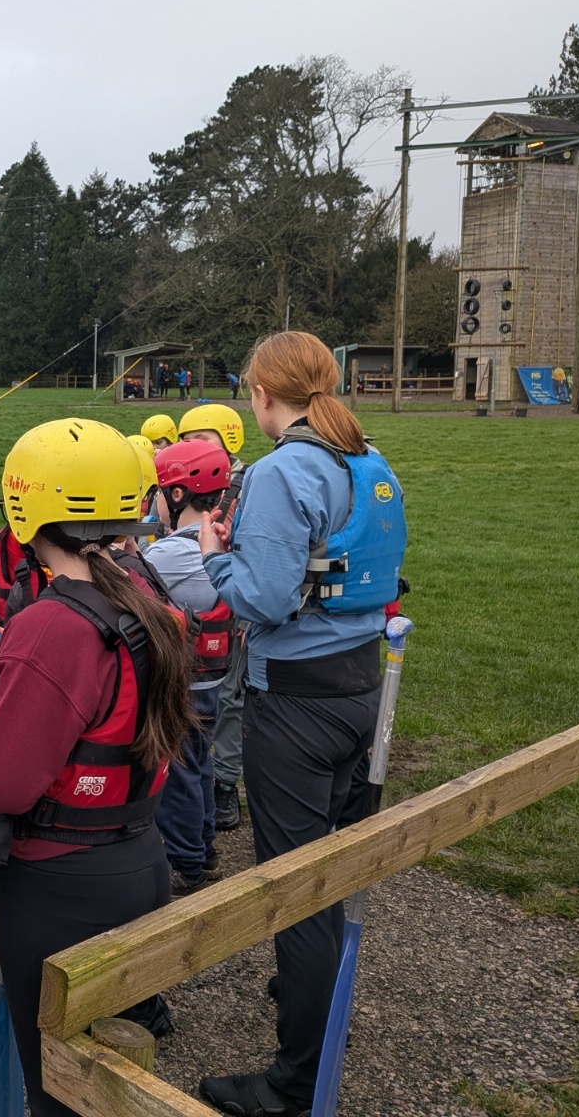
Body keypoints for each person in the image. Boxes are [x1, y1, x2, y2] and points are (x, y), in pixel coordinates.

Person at [0, 418, 196, 1117]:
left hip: (62, 892)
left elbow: (0, 781)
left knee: (60, 1094)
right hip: (137, 859)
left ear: (23, 506)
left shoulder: (51, 624)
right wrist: (18, 685)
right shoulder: (145, 598)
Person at [196, 331, 406, 1117]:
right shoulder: (364, 456)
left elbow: (265, 596)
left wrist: (212, 555)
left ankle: (293, 1083)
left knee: (296, 886)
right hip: (360, 688)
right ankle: (308, 988)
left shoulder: (282, 470)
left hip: (296, 705)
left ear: (260, 394)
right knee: (330, 861)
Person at [143, 440, 235, 895]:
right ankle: (204, 848)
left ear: (176, 495)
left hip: (179, 684)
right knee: (199, 763)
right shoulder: (221, 540)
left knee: (176, 773)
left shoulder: (165, 555)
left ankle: (186, 864)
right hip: (213, 677)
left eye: (158, 492)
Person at [176, 403, 250, 832]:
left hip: (233, 601)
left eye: (201, 439)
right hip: (192, 601)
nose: (192, 447)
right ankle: (196, 778)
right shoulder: (181, 479)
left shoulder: (249, 484)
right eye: (186, 441)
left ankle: (224, 782)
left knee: (230, 696)